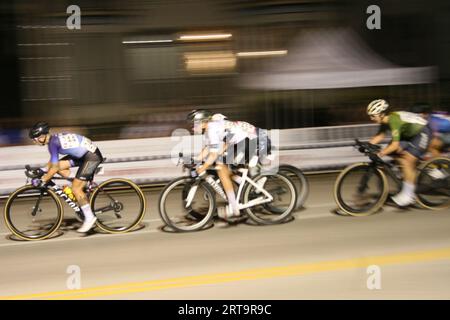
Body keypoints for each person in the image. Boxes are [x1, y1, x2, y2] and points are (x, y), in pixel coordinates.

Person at [187, 109, 271, 220]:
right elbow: (208, 149)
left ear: (203, 122)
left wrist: (201, 168)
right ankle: (248, 186)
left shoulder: (212, 128)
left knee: (220, 166)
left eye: (194, 124)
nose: (192, 127)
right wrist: (194, 160)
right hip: (247, 140)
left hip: (257, 141)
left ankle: (234, 206)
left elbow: (213, 154)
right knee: (223, 165)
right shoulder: (209, 130)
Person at [28, 122, 104, 233]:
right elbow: (54, 162)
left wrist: (43, 179)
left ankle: (89, 217)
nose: (34, 142)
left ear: (42, 136)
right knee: (60, 168)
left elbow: (54, 168)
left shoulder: (53, 143)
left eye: (34, 139)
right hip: (84, 155)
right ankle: (80, 182)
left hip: (91, 157)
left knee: (75, 189)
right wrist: (42, 170)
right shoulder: (53, 141)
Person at [367, 99, 431, 207]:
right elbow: (380, 136)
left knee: (406, 161)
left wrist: (380, 154)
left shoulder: (393, 120)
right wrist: (367, 145)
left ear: (382, 114)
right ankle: (406, 173)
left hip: (422, 132)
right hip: (408, 135)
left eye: (373, 116)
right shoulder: (384, 120)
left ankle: (408, 195)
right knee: (392, 152)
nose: (371, 118)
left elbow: (395, 145)